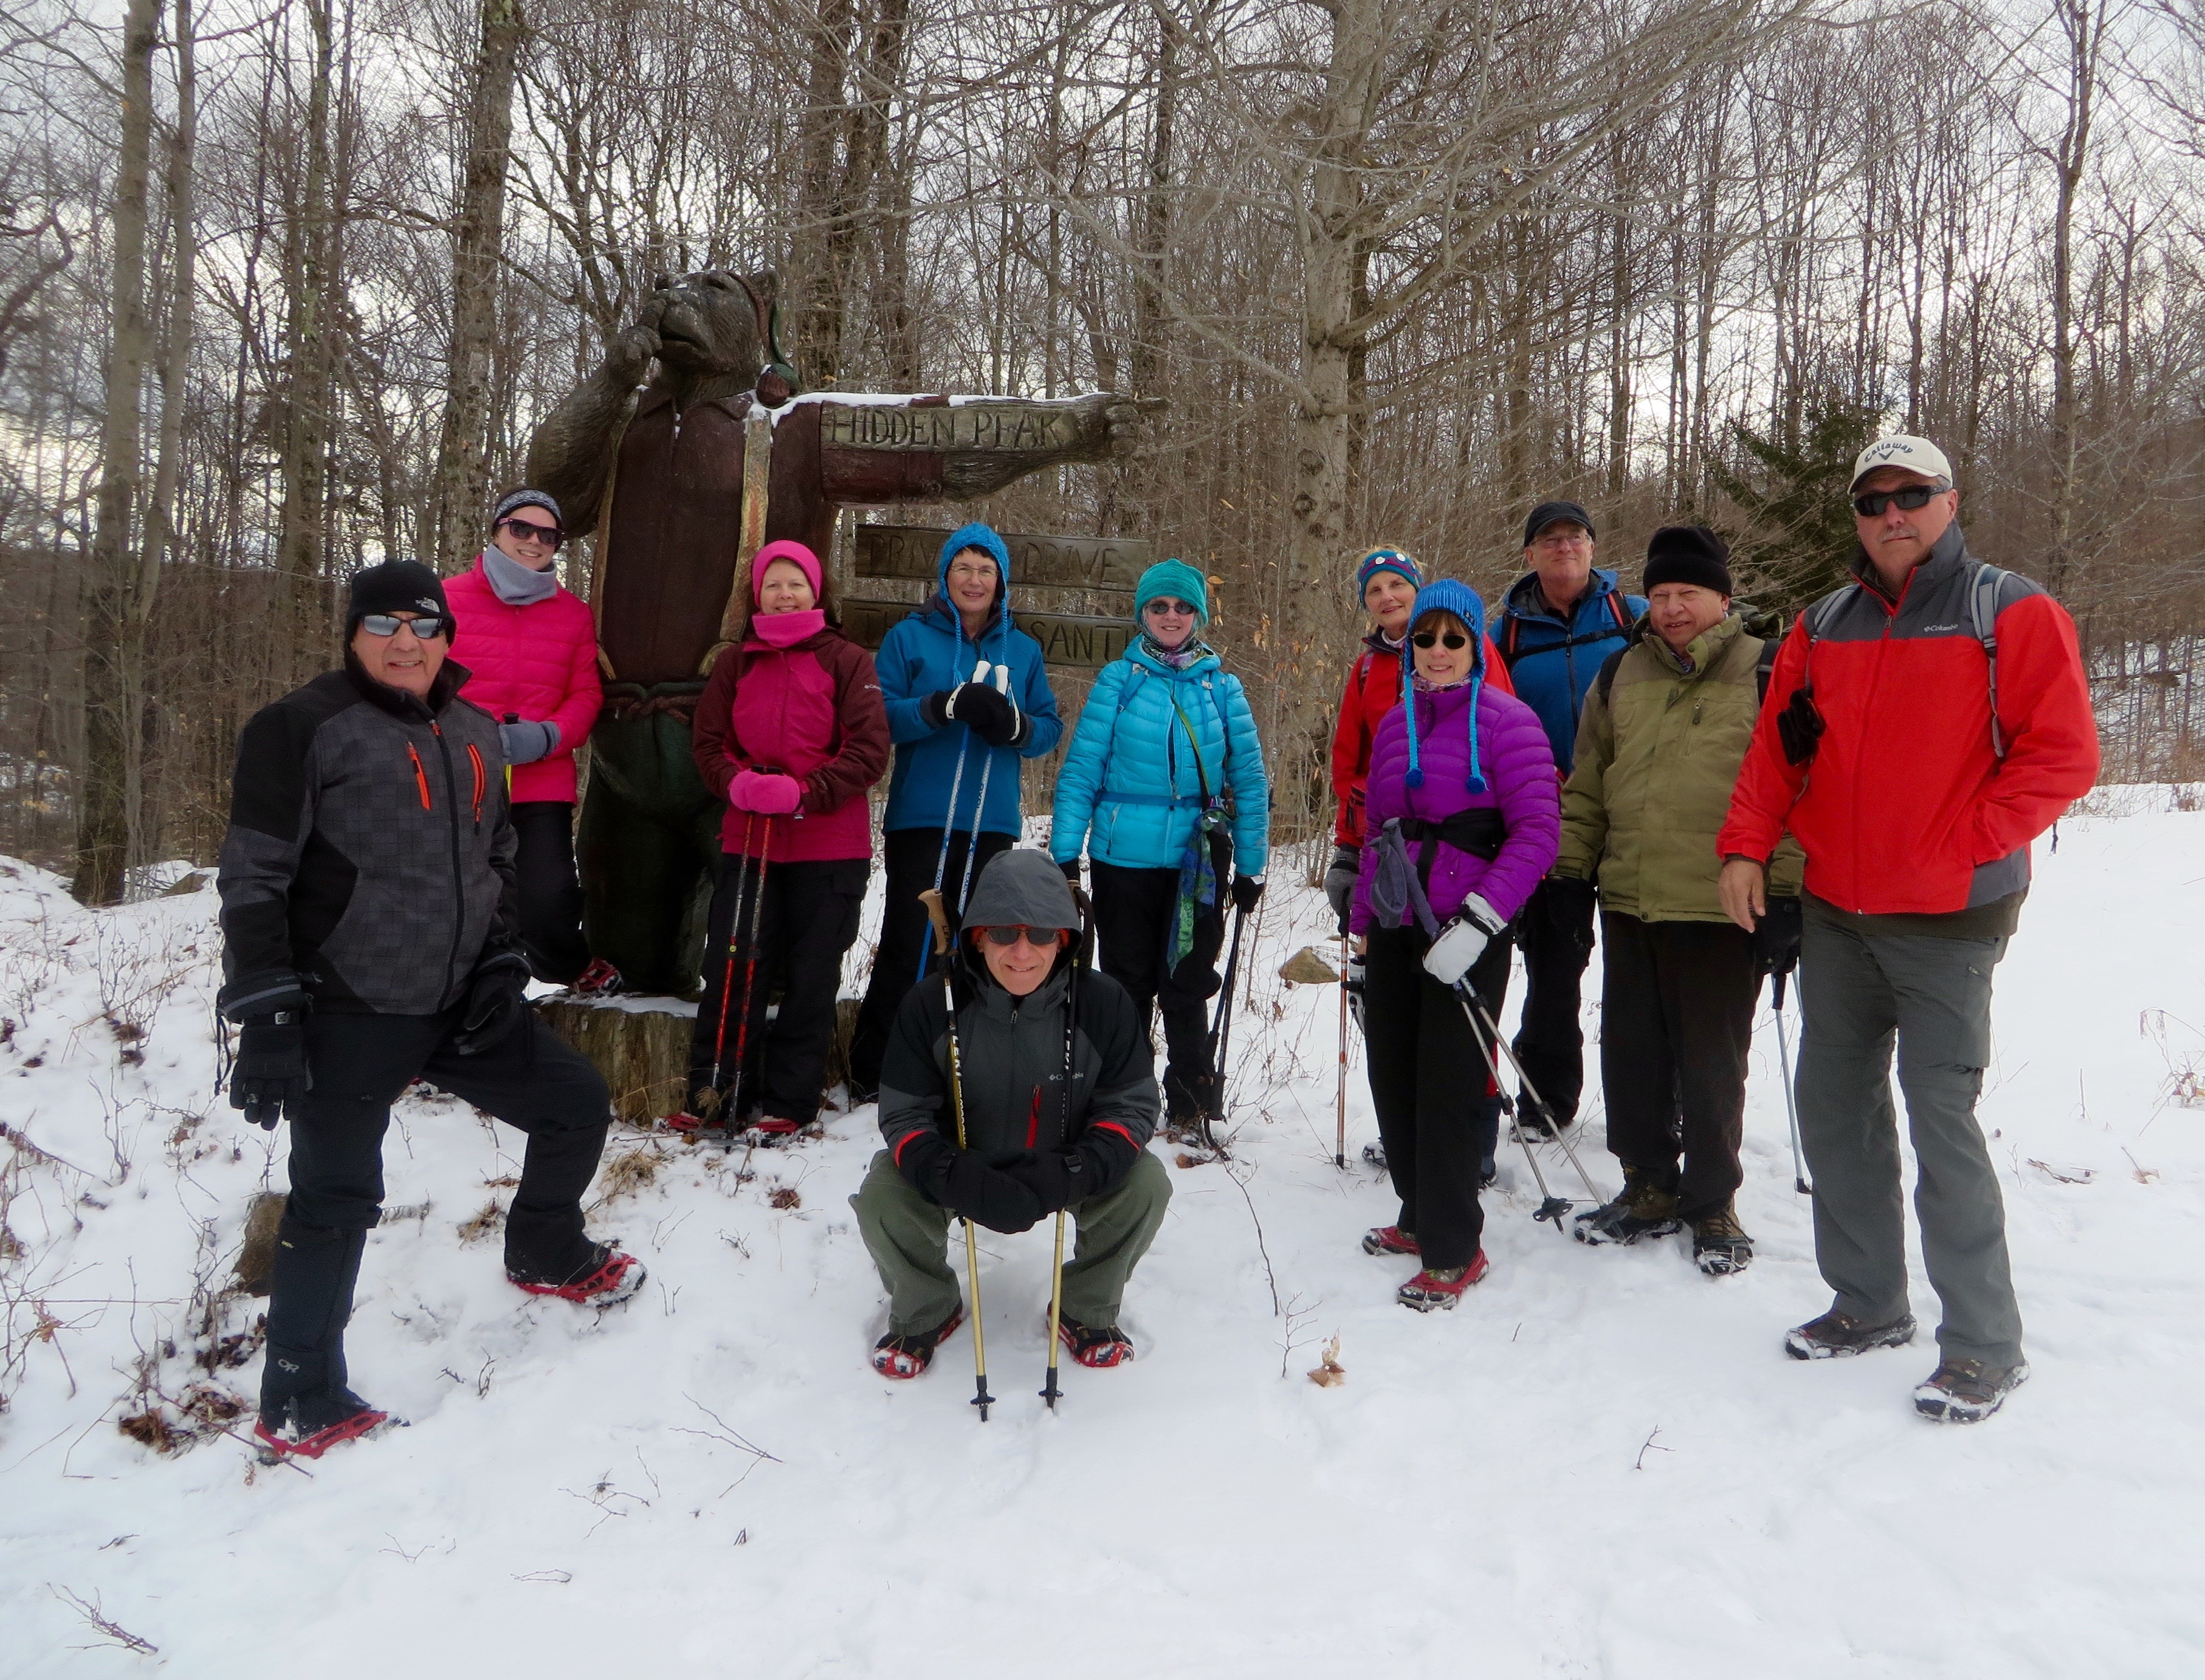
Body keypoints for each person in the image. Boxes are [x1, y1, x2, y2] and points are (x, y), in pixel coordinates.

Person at [218, 560, 640, 1464]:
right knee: (335, 1198)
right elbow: (254, 875)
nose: (405, 642)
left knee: (575, 1103)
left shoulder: (477, 729)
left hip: (459, 1001)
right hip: (350, 1004)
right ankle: (300, 1398)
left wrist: (502, 962)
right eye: (383, 624)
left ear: (448, 636)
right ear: (353, 634)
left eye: (423, 624)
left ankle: (543, 1248)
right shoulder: (300, 729)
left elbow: (495, 857)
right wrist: (266, 1012)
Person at [1718, 434, 2099, 1423]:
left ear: (1946, 499)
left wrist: (1963, 844)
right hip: (1840, 912)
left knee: (1940, 1120)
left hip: (1949, 919)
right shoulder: (1821, 623)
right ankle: (1866, 1302)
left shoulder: (2005, 612)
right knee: (1834, 1108)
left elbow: (2060, 755)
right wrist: (1745, 847)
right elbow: (1774, 751)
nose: (1891, 513)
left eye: (1911, 494)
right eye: (1871, 498)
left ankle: (1981, 1344)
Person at [1554, 526, 1804, 1275]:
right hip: (1629, 896)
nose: (1669, 609)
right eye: (1659, 595)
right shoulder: (1619, 673)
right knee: (1630, 1053)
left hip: (1721, 904)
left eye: (1685, 594)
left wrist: (1786, 893)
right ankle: (1647, 1185)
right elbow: (1588, 785)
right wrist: (1570, 878)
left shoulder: (1766, 671)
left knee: (1711, 1062)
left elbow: (1798, 788)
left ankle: (1711, 1201)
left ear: (1721, 598)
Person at [853, 849, 1169, 1376]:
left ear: (1064, 938)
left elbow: (1131, 1107)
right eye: (1003, 933)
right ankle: (927, 1307)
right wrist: (951, 1173)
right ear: (977, 936)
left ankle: (1085, 1308)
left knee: (1146, 1183)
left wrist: (1074, 1171)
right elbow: (904, 1116)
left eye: (1042, 934)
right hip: (961, 1163)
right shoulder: (932, 1004)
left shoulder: (1105, 1004)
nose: (1022, 952)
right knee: (883, 1192)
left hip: (1064, 1162)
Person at [1349, 580, 1559, 1310]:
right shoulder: (1397, 723)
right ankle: (1418, 1213)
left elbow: (1537, 835)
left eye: (1453, 639)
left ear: (1475, 645)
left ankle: (1453, 1246)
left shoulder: (1511, 723)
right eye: (1426, 640)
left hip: (1466, 931)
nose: (1437, 652)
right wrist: (1359, 931)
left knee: (1445, 1086)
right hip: (1397, 924)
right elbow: (1377, 833)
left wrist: (1477, 924)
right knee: (1393, 1075)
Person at [1048, 559, 1270, 1135]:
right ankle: (1125, 1100)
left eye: (1182, 606)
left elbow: (1248, 781)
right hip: (1123, 858)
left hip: (1196, 862)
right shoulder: (1118, 682)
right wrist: (1065, 855)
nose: (1171, 616)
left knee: (1188, 978)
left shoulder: (1223, 687)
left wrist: (1251, 866)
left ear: (1198, 614)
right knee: (1126, 982)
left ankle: (1193, 1102)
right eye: (1159, 606)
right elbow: (1080, 774)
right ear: (1142, 614)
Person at [846, 523, 1064, 1104]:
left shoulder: (1020, 649)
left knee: (977, 946)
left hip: (989, 822)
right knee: (910, 940)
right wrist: (940, 706)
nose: (974, 579)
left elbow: (1047, 727)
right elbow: (881, 716)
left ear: (1001, 583)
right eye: (963, 568)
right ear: (945, 577)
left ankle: (963, 1069)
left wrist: (1014, 726)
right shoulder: (910, 638)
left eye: (985, 570)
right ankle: (878, 1067)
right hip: (922, 817)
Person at [683, 539, 889, 1138]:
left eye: (795, 583)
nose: (784, 593)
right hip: (750, 839)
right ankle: (716, 1091)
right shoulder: (734, 663)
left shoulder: (847, 660)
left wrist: (807, 790)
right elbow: (708, 741)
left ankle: (790, 1102)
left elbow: (869, 749)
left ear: (815, 591)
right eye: (773, 584)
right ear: (757, 594)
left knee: (810, 973)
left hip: (829, 845)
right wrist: (737, 782)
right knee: (733, 965)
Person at [1490, 500, 1645, 1129]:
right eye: (1549, 539)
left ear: (1593, 546)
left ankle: (1655, 1104)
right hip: (1548, 820)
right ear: (1529, 555)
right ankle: (1546, 1099)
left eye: (1576, 536)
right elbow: (1490, 716)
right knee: (1555, 963)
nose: (1564, 547)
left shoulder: (1631, 617)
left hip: (1633, 813)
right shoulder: (1506, 634)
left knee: (1642, 966)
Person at [444, 489, 609, 990]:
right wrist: (464, 734)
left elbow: (586, 694)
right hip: (458, 778)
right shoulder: (444, 599)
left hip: (540, 783)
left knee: (548, 896)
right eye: (521, 528)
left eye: (547, 534)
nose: (534, 541)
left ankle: (566, 967)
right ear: (496, 530)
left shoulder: (574, 614)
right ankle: (434, 1020)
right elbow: (416, 679)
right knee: (457, 901)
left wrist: (546, 736)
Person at [1324, 545, 1513, 929]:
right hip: (1390, 843)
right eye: (1374, 590)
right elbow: (1351, 766)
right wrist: (1348, 850)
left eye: (1396, 584)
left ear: (1417, 588)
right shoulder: (1366, 669)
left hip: (1463, 843)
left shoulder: (1468, 647)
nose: (1387, 596)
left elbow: (1505, 738)